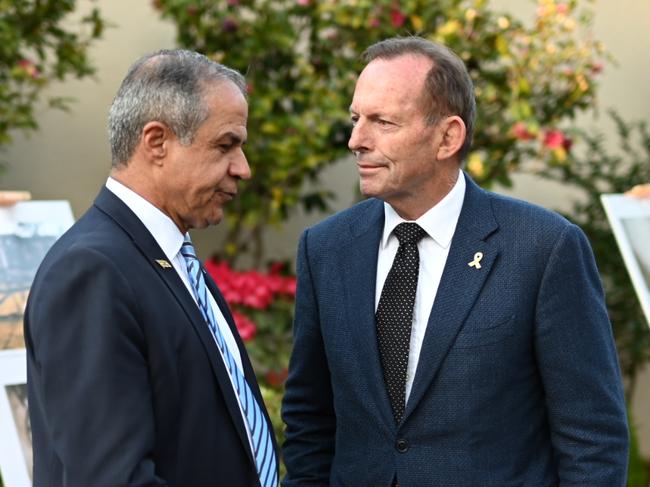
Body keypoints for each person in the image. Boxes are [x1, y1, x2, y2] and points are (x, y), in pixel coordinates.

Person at [281, 36, 629, 486]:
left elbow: (592, 437)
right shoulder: (326, 249)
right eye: (356, 119)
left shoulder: (543, 248)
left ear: (448, 137)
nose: (356, 141)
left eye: (383, 122)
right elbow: (310, 421)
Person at [24, 50, 278, 487]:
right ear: (156, 142)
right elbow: (111, 478)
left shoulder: (168, 256)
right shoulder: (91, 272)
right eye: (225, 145)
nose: (243, 169)